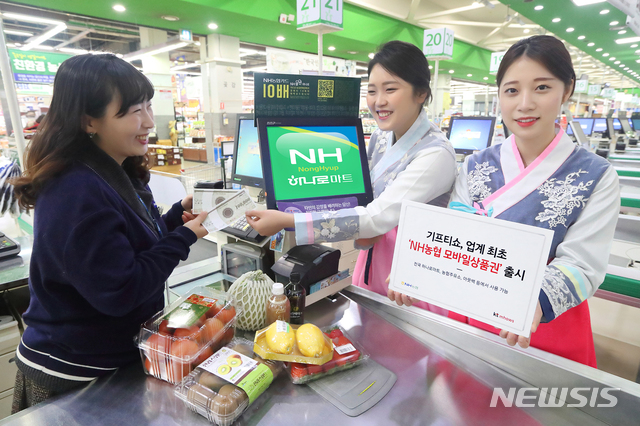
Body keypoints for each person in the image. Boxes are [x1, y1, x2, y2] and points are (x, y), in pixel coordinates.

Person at [394, 35, 619, 367]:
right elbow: (455, 234)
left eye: (542, 88)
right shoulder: (476, 165)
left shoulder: (596, 175)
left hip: (542, 321)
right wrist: (420, 272)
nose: (524, 104)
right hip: (470, 310)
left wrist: (535, 302)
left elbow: (583, 263)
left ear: (567, 90)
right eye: (512, 90)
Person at [10, 54, 209, 412]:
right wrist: (185, 238)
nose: (149, 121)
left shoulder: (114, 169)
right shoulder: (76, 191)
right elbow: (121, 290)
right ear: (89, 120)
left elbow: (129, 245)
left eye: (148, 105)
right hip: (73, 374)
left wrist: (176, 219)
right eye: (133, 111)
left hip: (111, 356)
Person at [246, 41, 456, 311]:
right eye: (372, 90)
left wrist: (289, 220)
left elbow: (376, 216)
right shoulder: (381, 137)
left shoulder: (435, 154)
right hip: (371, 260)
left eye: (390, 89)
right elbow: (366, 197)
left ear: (421, 93)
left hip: (409, 276)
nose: (378, 101)